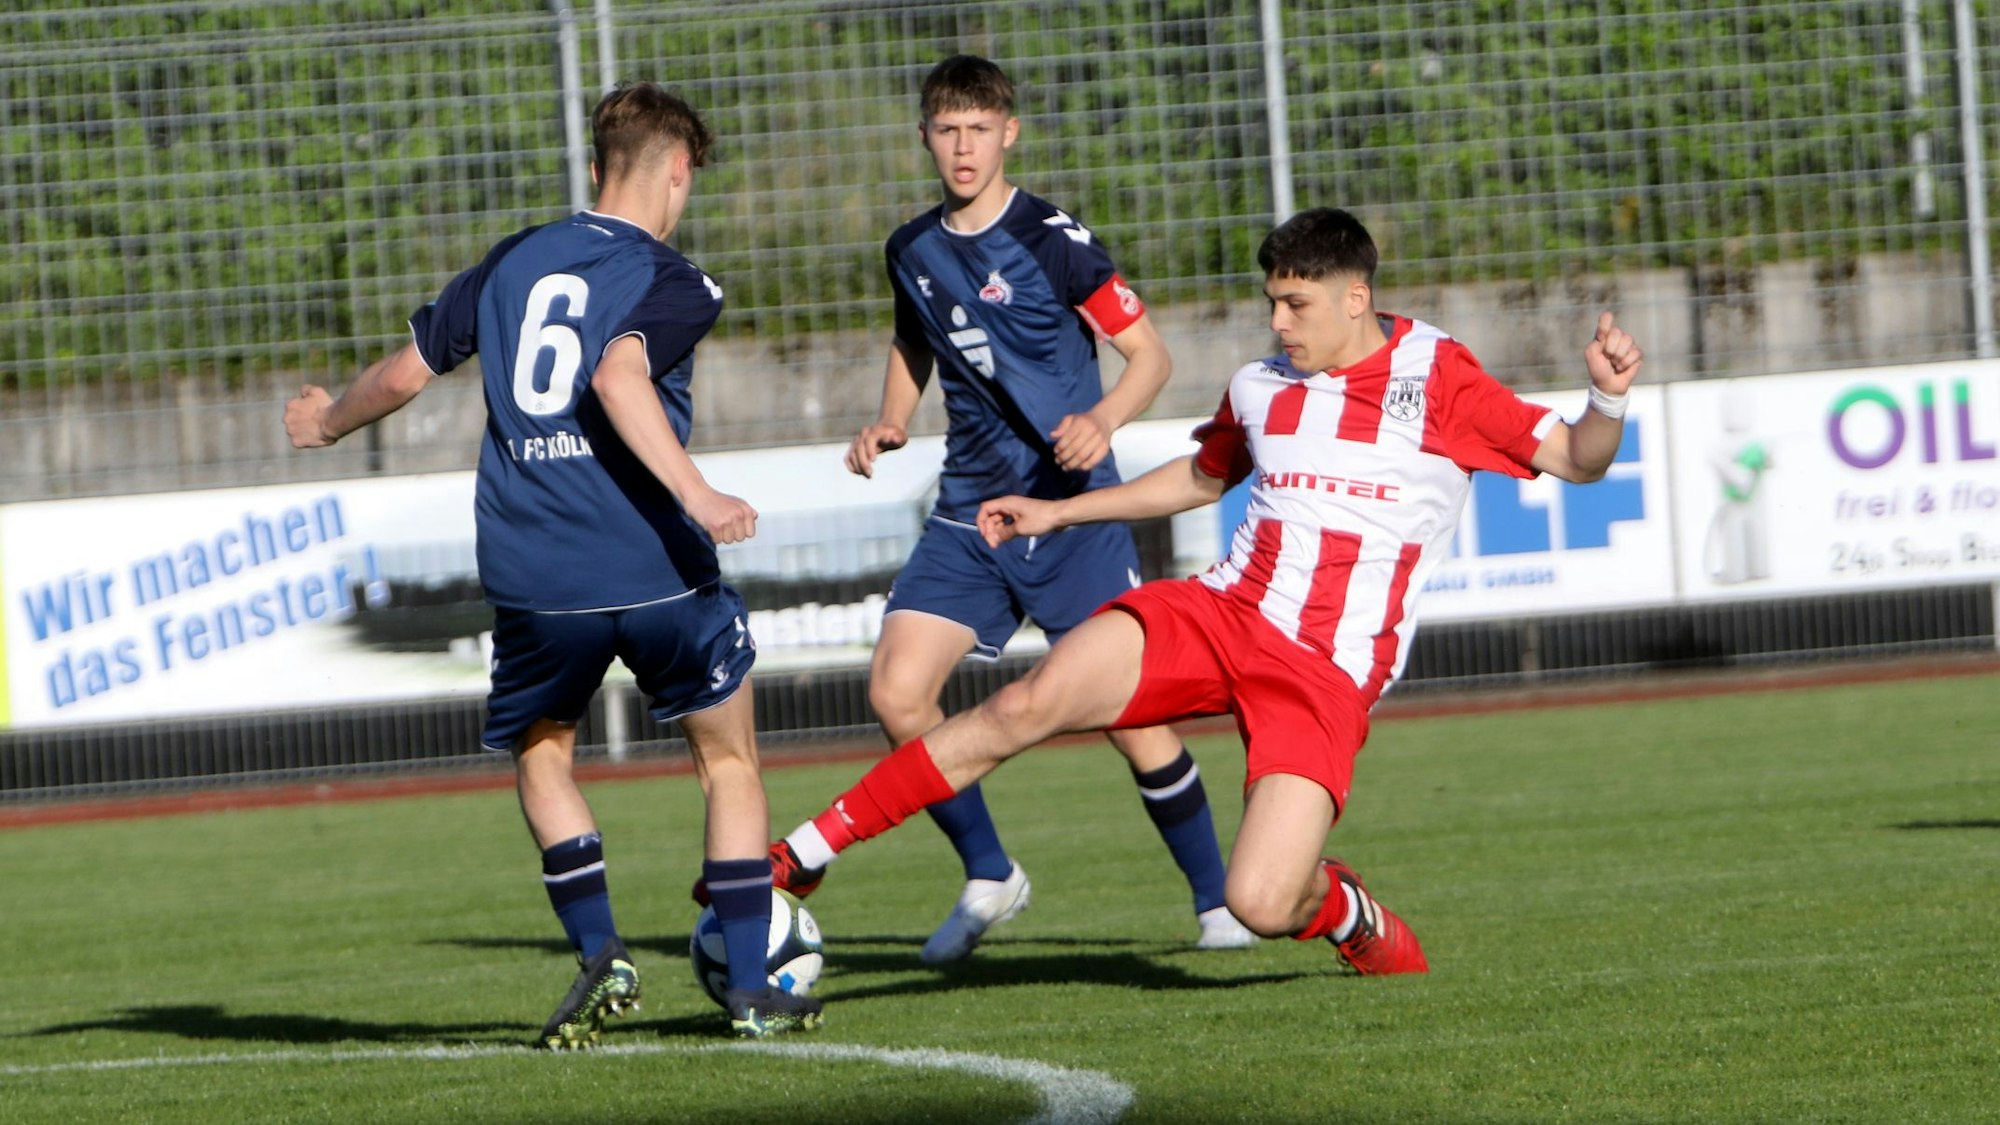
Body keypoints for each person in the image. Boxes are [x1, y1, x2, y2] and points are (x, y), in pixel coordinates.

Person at [762, 207, 1644, 975]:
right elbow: (1199, 476)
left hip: (1325, 669)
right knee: (1029, 701)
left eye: (1295, 304)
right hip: (1220, 612)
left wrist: (1604, 403)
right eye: (1271, 301)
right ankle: (799, 853)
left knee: (1260, 900)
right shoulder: (1261, 385)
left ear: (1354, 298)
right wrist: (1059, 513)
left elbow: (1574, 460)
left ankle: (1343, 909)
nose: (1277, 321)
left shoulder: (1437, 374)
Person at [281, 82, 822, 1043]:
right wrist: (697, 495)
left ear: (596, 167)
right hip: (656, 563)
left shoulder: (511, 262)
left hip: (537, 577)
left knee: (543, 752)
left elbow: (405, 374)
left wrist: (324, 420)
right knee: (729, 759)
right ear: (677, 170)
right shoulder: (679, 280)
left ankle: (602, 953)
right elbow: (618, 371)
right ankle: (749, 986)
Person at [826, 54, 1251, 960]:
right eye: (949, 130)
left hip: (1069, 512)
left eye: (981, 129)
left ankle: (1218, 901)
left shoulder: (1056, 239)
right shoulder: (910, 248)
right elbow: (915, 339)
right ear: (926, 137)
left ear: (1009, 133)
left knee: (1130, 716)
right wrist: (892, 420)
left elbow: (1150, 356)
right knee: (898, 692)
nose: (964, 147)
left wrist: (1101, 420)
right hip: (970, 513)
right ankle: (989, 870)